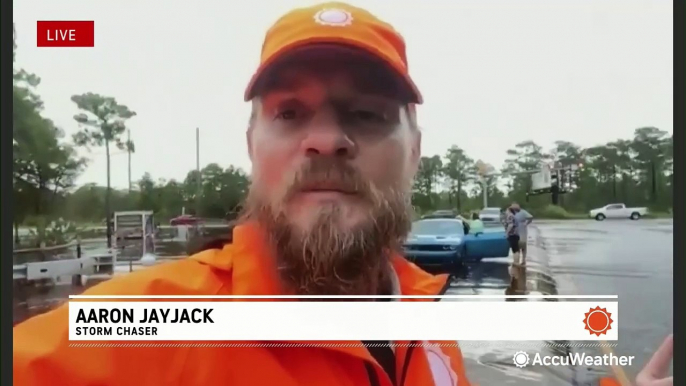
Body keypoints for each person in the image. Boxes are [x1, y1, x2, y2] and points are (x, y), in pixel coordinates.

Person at [12, 3, 672, 386]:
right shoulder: (146, 332)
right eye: (291, 114)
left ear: (413, 152)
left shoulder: (428, 329)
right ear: (252, 148)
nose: (326, 141)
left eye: (365, 115)